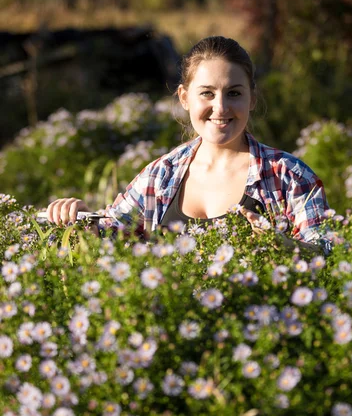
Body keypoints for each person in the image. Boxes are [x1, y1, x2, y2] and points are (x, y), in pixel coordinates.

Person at [46, 36, 332, 255]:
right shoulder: (160, 176)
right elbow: (110, 238)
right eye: (206, 93)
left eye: (234, 93)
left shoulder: (289, 176)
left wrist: (287, 248)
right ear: (184, 97)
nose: (220, 107)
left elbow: (327, 256)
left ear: (252, 98)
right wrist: (80, 218)